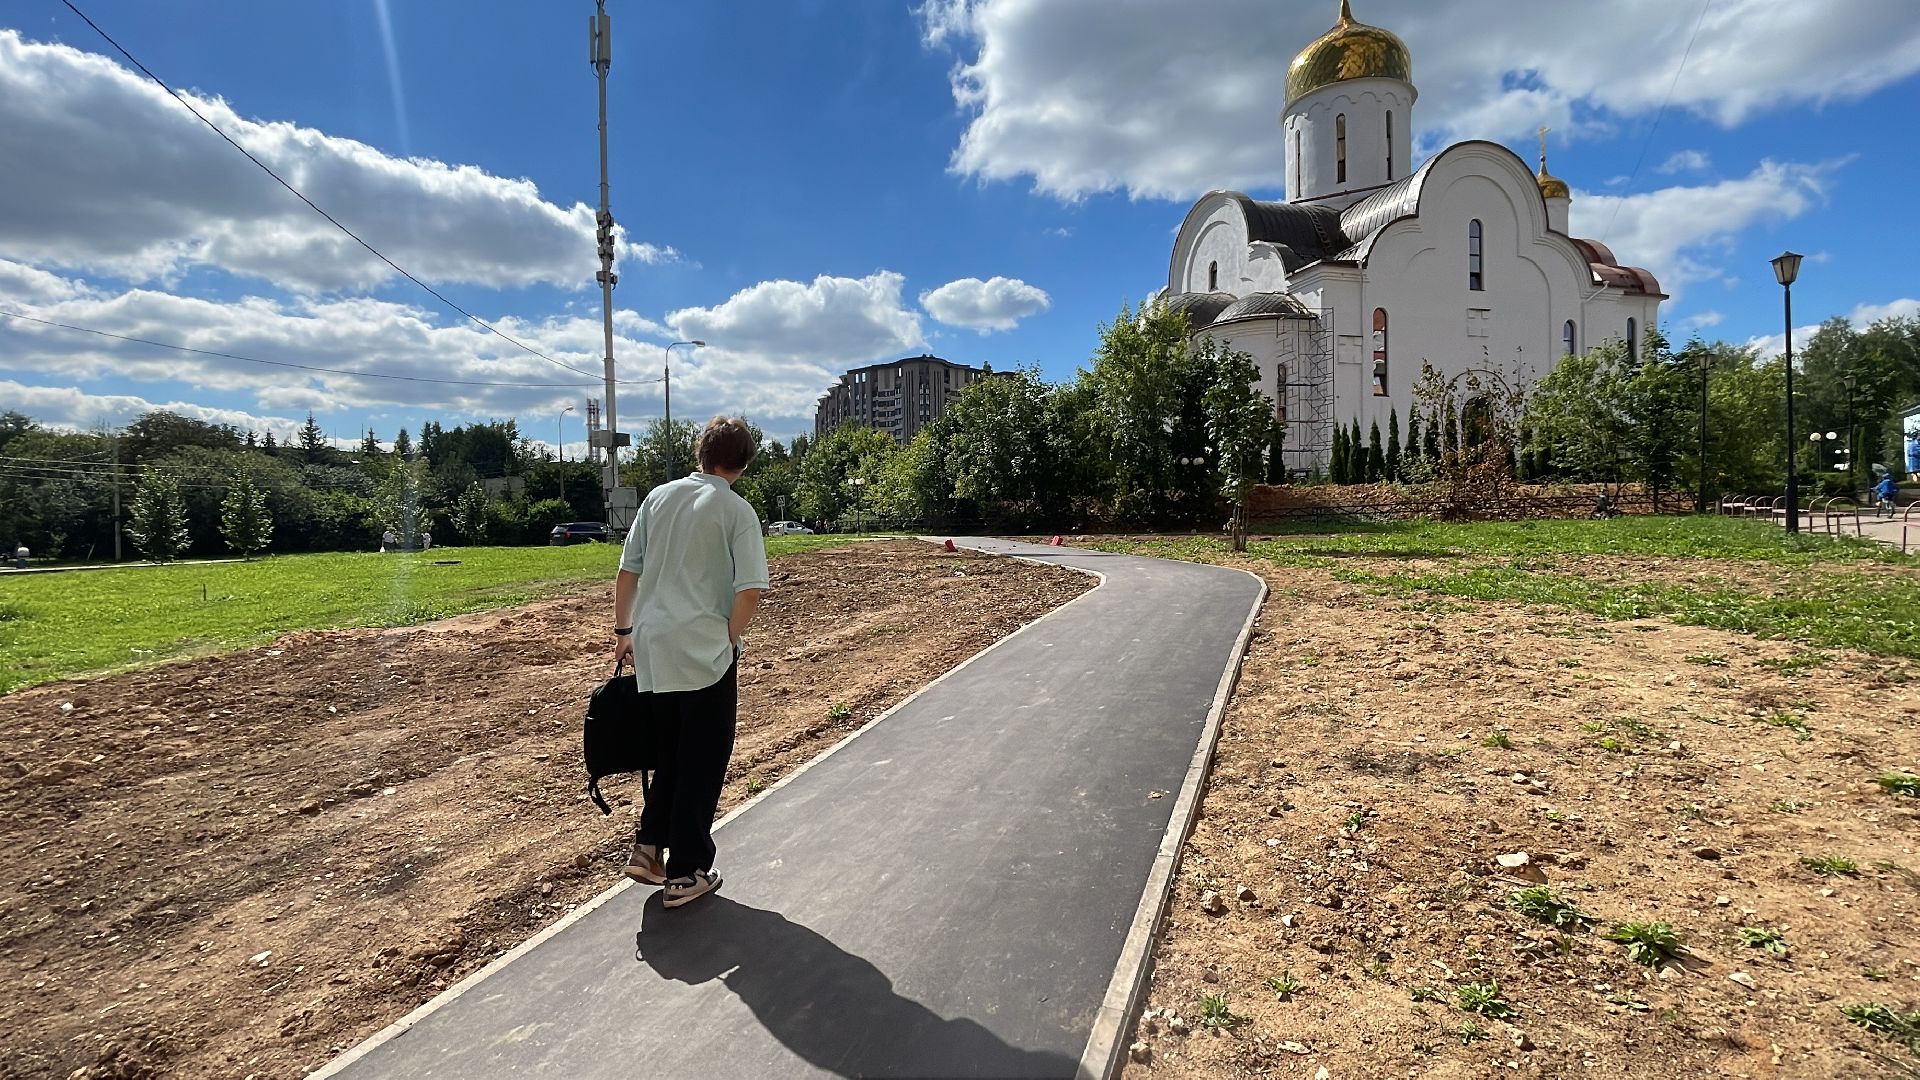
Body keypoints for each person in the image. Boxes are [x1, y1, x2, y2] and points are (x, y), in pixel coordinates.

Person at [614, 416, 768, 909]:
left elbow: (627, 571)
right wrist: (729, 636)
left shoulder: (659, 498)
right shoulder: (736, 510)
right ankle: (687, 872)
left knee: (671, 754)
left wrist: (624, 631)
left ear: (701, 453)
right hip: (704, 650)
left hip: (654, 647)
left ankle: (647, 848)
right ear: (743, 462)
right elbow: (750, 588)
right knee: (703, 760)